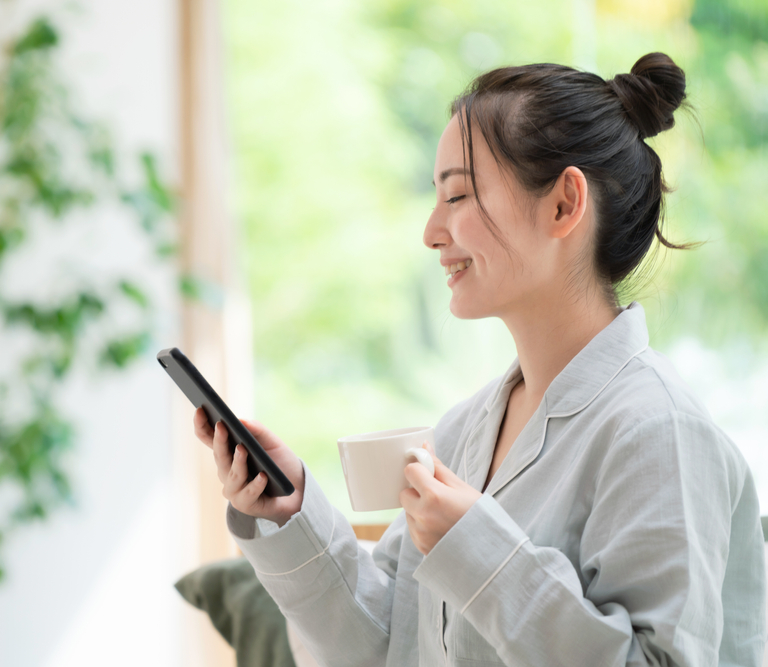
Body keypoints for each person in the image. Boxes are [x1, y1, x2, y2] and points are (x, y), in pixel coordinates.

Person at [192, 52, 767, 666]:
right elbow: (389, 643)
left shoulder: (660, 433)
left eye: (459, 195)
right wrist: (290, 510)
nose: (432, 230)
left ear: (564, 205)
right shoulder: (467, 430)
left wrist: (481, 555)